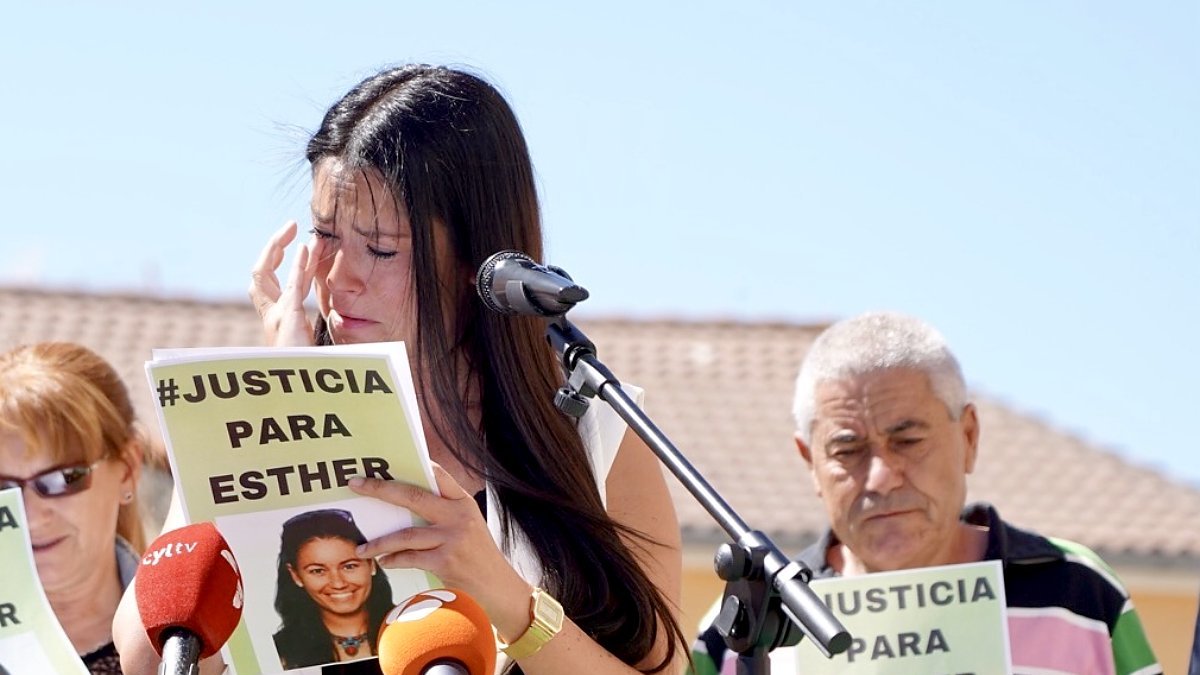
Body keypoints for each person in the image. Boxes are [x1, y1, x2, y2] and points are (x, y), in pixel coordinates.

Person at [115, 64, 685, 675]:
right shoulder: (261, 413)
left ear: (477, 258)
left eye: (380, 247)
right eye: (325, 234)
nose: (337, 277)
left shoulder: (595, 426)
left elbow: (661, 669)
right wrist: (265, 406)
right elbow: (145, 658)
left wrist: (505, 598)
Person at [690, 311, 1161, 675]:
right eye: (847, 450)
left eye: (908, 441)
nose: (881, 477)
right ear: (809, 462)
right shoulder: (740, 627)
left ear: (969, 438)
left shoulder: (1078, 591)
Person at [0, 342, 147, 675]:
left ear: (127, 470)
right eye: (4, 489)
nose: (31, 515)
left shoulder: (208, 641)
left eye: (62, 479)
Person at [273, 509, 395, 668]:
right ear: (296, 575)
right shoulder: (281, 654)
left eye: (349, 566)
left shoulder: (413, 630)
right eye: (318, 571)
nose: (338, 583)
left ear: (371, 564)